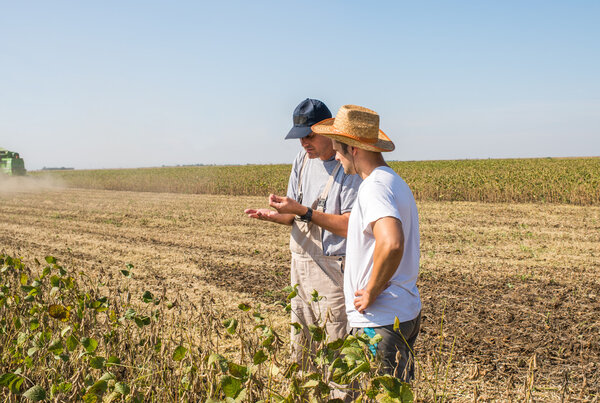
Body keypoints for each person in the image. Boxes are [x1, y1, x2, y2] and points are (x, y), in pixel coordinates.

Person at [244, 98, 362, 367]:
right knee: (301, 350)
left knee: (337, 354)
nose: (304, 143)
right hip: (299, 267)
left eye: (309, 136)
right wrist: (274, 216)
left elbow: (350, 225)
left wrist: (304, 211)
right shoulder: (302, 160)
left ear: (329, 130)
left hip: (333, 272)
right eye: (300, 138)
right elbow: (293, 215)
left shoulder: (349, 168)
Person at [311, 104, 422, 382]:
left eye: (338, 149)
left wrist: (372, 290)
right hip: (402, 313)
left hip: (380, 321)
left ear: (354, 149)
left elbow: (392, 242)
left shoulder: (373, 187)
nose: (336, 156)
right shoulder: (395, 181)